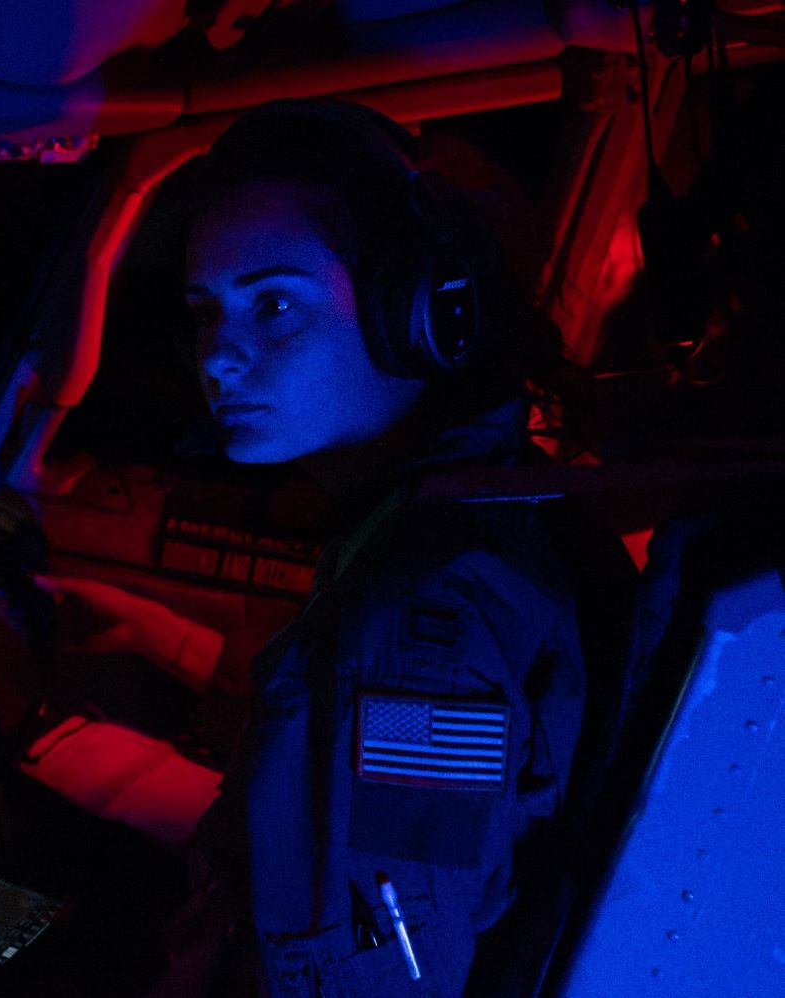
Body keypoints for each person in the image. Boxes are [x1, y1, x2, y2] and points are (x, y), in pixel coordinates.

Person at [40, 99, 597, 996]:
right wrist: (161, 633)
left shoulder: (423, 628)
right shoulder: (450, 522)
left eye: (274, 303)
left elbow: (386, 974)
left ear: (414, 312)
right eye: (204, 311)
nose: (218, 358)